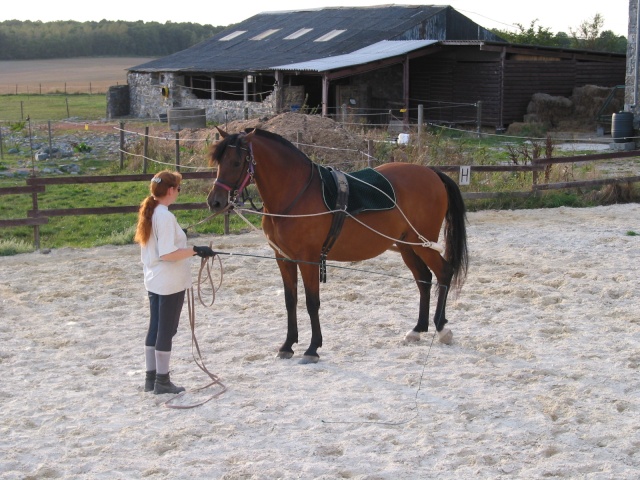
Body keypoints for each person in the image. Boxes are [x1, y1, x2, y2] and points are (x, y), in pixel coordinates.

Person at [134, 170, 215, 394]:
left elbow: (163, 243)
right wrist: (196, 250)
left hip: (153, 279)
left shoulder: (152, 212)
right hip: (169, 281)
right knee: (166, 330)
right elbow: (168, 254)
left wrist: (182, 238)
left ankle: (151, 379)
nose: (178, 192)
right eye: (178, 188)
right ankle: (162, 380)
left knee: (155, 328)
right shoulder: (165, 216)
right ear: (171, 190)